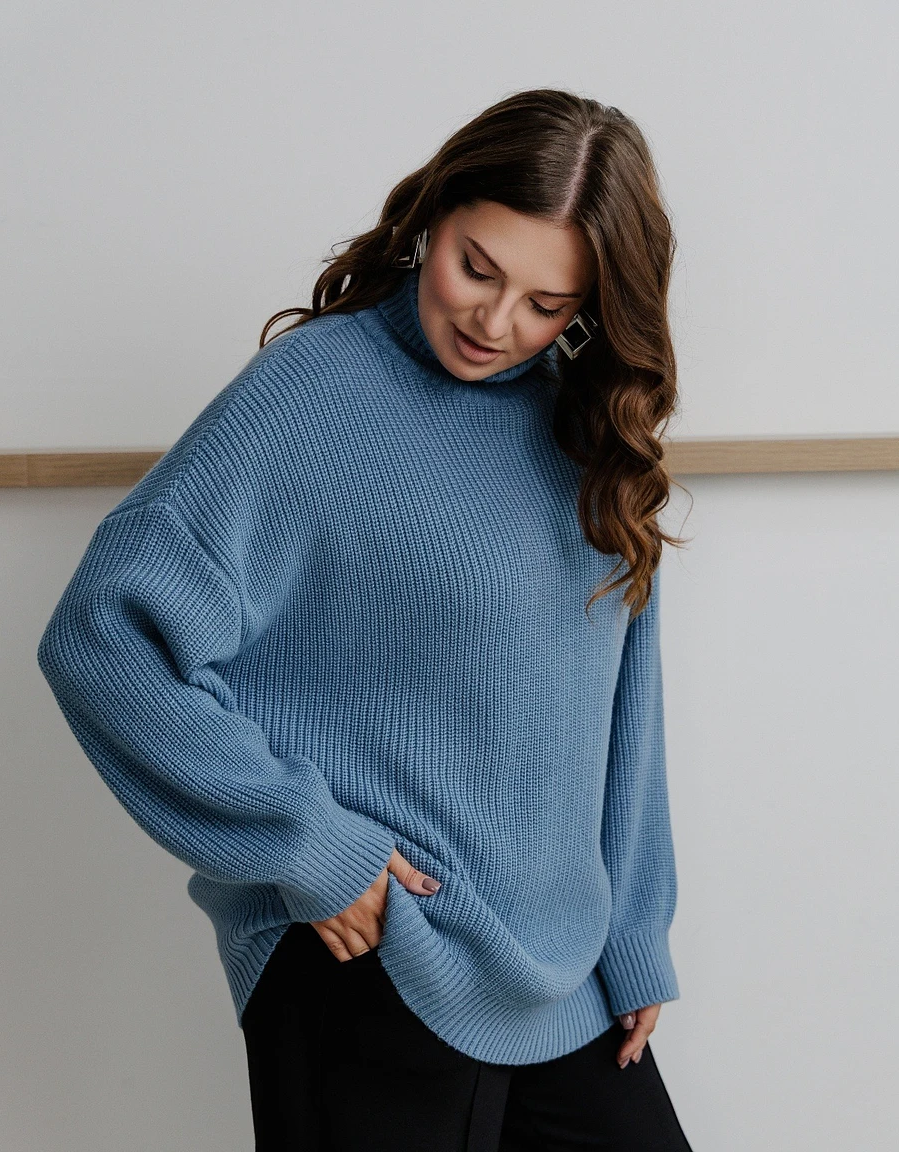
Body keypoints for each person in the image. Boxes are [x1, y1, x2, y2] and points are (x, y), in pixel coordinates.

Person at [36, 88, 694, 1150]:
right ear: (434, 215)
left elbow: (616, 700)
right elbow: (102, 637)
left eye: (545, 302)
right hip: (375, 952)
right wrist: (307, 841)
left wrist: (634, 932)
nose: (495, 324)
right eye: (477, 268)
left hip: (558, 972)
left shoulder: (585, 422)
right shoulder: (312, 392)